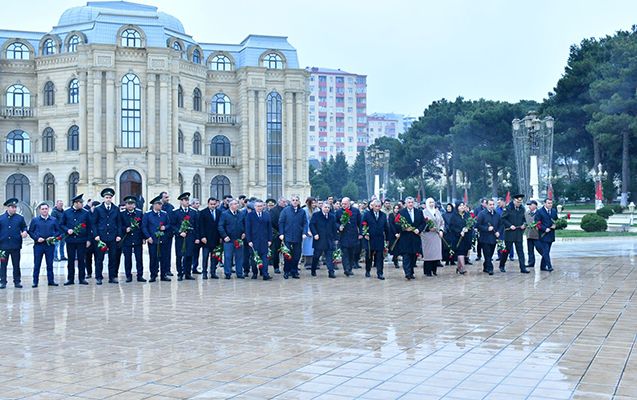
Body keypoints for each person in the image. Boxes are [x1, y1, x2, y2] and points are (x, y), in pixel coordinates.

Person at [61, 194, 92, 285]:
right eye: (80, 203)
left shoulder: (85, 213)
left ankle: (82, 278)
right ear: (75, 203)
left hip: (81, 240)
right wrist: (67, 230)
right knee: (70, 260)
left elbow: (89, 227)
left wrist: (89, 240)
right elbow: (61, 224)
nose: (82, 204)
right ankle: (70, 279)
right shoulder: (67, 212)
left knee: (81, 260)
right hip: (70, 240)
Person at [92, 188, 122, 284]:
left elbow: (119, 223)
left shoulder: (116, 209)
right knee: (99, 258)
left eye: (110, 197)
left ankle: (112, 277)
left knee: (113, 257)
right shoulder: (98, 209)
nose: (108, 199)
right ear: (103, 198)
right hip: (102, 237)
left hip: (113, 237)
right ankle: (98, 277)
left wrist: (119, 235)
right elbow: (94, 223)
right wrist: (96, 235)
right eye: (106, 197)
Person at [28, 202, 61, 287]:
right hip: (38, 245)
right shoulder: (35, 220)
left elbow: (58, 231)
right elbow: (30, 231)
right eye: (42, 209)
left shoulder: (53, 220)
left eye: (46, 209)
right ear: (39, 210)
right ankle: (35, 281)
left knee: (50, 264)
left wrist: (53, 237)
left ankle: (51, 281)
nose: (44, 210)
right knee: (37, 264)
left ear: (48, 209)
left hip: (49, 245)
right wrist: (36, 238)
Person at [394, 197, 425, 280]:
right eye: (409, 202)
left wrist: (419, 229)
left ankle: (411, 271)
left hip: (415, 237)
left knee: (413, 256)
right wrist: (404, 228)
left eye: (412, 202)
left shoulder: (419, 212)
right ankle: (407, 273)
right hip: (405, 237)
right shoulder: (401, 212)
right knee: (406, 255)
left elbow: (423, 223)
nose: (410, 204)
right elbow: (397, 224)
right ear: (406, 204)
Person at [142, 195, 172, 282]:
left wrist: (165, 227)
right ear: (154, 205)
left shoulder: (164, 214)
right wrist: (148, 237)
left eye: (161, 204)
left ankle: (163, 275)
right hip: (153, 240)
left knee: (164, 258)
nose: (160, 205)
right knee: (153, 258)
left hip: (163, 239)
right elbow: (144, 227)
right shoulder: (148, 214)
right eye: (158, 204)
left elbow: (169, 224)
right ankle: (153, 275)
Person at [0, 198, 28, 289]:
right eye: (12, 207)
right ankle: (3, 281)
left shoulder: (20, 218)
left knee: (16, 264)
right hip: (3, 246)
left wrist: (24, 232)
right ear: (7, 208)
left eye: (15, 207)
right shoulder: (1, 218)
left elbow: (24, 227)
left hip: (15, 245)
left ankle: (17, 281)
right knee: (3, 264)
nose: (14, 209)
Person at [278, 195, 308, 279]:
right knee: (287, 255)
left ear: (299, 201)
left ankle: (294, 271)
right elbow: (281, 222)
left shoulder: (302, 211)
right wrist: (281, 233)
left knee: (297, 255)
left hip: (298, 237)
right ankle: (286, 271)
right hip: (287, 236)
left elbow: (305, 223)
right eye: (293, 200)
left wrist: (304, 232)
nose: (295, 201)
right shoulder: (285, 210)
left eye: (296, 200)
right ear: (291, 201)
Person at [171, 192, 199, 281]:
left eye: (188, 200)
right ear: (181, 201)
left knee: (189, 255)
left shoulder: (193, 212)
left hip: (190, 237)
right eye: (185, 200)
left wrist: (197, 237)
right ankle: (180, 273)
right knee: (179, 255)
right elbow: (173, 225)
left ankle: (188, 273)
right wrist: (179, 232)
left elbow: (196, 226)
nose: (187, 202)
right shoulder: (175, 212)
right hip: (180, 237)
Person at [499, 194, 529, 273]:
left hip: (518, 233)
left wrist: (524, 224)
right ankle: (502, 265)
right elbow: (503, 219)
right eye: (518, 202)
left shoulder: (522, 209)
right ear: (514, 200)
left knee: (520, 251)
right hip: (509, 233)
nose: (519, 203)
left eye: (520, 202)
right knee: (506, 250)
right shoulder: (508, 208)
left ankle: (523, 268)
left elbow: (524, 219)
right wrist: (510, 225)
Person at [361, 199, 390, 280]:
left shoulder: (383, 215)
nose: (377, 208)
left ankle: (380, 273)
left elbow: (386, 228)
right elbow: (362, 225)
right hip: (369, 239)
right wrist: (365, 233)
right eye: (376, 206)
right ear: (372, 206)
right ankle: (368, 270)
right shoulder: (367, 214)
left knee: (380, 257)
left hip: (379, 239)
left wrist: (387, 239)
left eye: (379, 206)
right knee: (369, 256)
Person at [119, 196, 145, 282]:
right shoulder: (122, 214)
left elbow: (142, 226)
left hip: (137, 238)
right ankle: (128, 276)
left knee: (139, 258)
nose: (130, 206)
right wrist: (124, 229)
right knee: (127, 258)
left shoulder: (139, 213)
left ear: (134, 205)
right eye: (128, 204)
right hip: (127, 239)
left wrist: (144, 237)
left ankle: (140, 275)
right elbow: (119, 226)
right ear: (125, 205)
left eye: (132, 204)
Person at [218, 199, 246, 279]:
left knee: (239, 257)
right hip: (228, 239)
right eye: (234, 204)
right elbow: (220, 226)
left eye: (237, 204)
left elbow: (245, 224)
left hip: (238, 239)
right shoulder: (225, 214)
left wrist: (244, 233)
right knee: (228, 257)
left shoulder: (241, 214)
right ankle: (227, 273)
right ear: (230, 205)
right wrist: (224, 236)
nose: (237, 205)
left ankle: (239, 273)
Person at [246, 200, 273, 280]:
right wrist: (249, 240)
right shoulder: (250, 215)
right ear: (254, 207)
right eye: (258, 206)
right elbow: (248, 229)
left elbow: (269, 228)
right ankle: (255, 273)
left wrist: (270, 240)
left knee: (265, 257)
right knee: (254, 257)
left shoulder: (266, 215)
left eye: (261, 206)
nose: (259, 208)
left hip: (264, 240)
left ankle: (265, 274)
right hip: (254, 240)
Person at [309, 202, 338, 278]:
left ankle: (331, 272)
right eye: (325, 207)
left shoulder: (332, 216)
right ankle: (313, 269)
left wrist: (336, 238)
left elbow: (334, 228)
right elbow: (311, 225)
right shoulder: (316, 215)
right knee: (316, 256)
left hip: (329, 240)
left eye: (328, 207)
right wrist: (315, 234)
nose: (327, 209)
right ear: (322, 207)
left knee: (329, 257)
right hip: (319, 239)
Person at [335, 197, 361, 277]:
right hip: (343, 235)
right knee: (345, 253)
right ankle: (346, 269)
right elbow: (335, 222)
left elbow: (360, 222)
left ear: (349, 203)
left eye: (345, 204)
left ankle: (350, 268)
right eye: (342, 204)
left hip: (353, 235)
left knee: (351, 253)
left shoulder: (356, 211)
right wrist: (339, 227)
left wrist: (361, 233)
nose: (343, 205)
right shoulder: (339, 212)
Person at [476, 199, 501, 275]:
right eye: (490, 204)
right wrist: (486, 228)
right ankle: (490, 269)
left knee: (490, 253)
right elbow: (478, 225)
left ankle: (486, 266)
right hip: (485, 238)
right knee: (487, 253)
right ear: (486, 205)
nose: (492, 206)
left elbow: (500, 224)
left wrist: (498, 232)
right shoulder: (482, 214)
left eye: (493, 204)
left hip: (493, 238)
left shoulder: (497, 214)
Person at [420, 198, 444, 277]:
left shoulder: (437, 211)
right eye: (430, 202)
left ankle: (434, 270)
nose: (431, 204)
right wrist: (428, 228)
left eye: (433, 202)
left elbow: (442, 222)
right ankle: (427, 271)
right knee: (428, 254)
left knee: (436, 253)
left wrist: (441, 230)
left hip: (436, 235)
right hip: (427, 235)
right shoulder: (423, 212)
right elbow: (421, 224)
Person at [199, 197, 221, 279]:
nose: (212, 206)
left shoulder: (219, 212)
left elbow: (220, 225)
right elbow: (200, 226)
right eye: (211, 204)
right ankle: (204, 272)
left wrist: (220, 237)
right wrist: (202, 236)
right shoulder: (203, 213)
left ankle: (213, 272)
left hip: (216, 239)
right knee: (205, 257)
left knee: (214, 257)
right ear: (208, 204)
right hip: (206, 239)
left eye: (214, 204)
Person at [448, 202, 473, 275]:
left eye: (463, 205)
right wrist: (459, 232)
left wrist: (468, 228)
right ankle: (463, 268)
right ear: (457, 207)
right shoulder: (454, 216)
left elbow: (471, 224)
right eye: (460, 206)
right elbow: (451, 227)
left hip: (466, 237)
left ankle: (459, 268)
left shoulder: (467, 215)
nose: (462, 207)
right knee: (460, 252)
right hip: (457, 237)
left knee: (464, 252)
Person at [535, 198, 558, 272]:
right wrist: (544, 229)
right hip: (543, 235)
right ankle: (549, 266)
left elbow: (556, 220)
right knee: (545, 250)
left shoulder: (554, 211)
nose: (550, 204)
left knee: (547, 251)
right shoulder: (540, 212)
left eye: (551, 203)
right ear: (544, 203)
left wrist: (555, 225)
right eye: (548, 203)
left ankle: (542, 266)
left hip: (551, 234)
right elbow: (537, 223)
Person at [269, 197, 286, 274]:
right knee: (276, 251)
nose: (284, 203)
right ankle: (276, 267)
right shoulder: (273, 210)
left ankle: (287, 266)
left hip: (286, 233)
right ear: (279, 202)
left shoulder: (287, 210)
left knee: (287, 251)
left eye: (285, 202)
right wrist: (279, 232)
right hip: (276, 234)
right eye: (283, 201)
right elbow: (272, 223)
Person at [160, 192, 175, 276]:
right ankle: (158, 269)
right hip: (158, 234)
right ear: (161, 198)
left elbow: (172, 221)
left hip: (168, 233)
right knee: (158, 253)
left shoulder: (170, 207)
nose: (167, 199)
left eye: (168, 197)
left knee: (167, 253)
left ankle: (167, 269)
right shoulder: (155, 206)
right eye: (165, 197)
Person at [302, 197, 318, 270]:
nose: (314, 204)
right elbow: (304, 222)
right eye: (312, 203)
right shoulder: (304, 210)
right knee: (308, 248)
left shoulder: (317, 210)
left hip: (316, 231)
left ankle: (315, 263)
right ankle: (308, 263)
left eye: (315, 203)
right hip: (308, 231)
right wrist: (307, 231)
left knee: (315, 248)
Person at [85, 200, 99, 278]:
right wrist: (88, 239)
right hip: (89, 239)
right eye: (94, 207)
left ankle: (98, 273)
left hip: (97, 239)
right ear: (92, 207)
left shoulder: (99, 213)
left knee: (98, 257)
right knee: (88, 257)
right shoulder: (87, 213)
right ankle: (89, 273)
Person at [525, 200, 540, 270]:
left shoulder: (539, 213)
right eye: (529, 205)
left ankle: (546, 261)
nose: (529, 206)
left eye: (531, 205)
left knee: (540, 249)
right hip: (529, 234)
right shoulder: (527, 213)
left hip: (537, 235)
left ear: (535, 206)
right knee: (530, 250)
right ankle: (531, 262)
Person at [190, 198, 202, 275]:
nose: (198, 205)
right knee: (190, 253)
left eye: (198, 203)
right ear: (192, 204)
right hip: (192, 236)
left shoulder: (199, 212)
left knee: (196, 254)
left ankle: (195, 267)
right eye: (196, 203)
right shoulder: (190, 213)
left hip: (199, 236)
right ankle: (187, 268)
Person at [388, 204, 401, 269]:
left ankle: (395, 259)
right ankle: (395, 260)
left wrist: (400, 232)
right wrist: (395, 233)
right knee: (394, 247)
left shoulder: (401, 215)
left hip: (399, 233)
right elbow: (391, 224)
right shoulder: (391, 215)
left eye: (397, 208)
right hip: (392, 234)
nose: (396, 209)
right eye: (395, 208)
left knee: (398, 248)